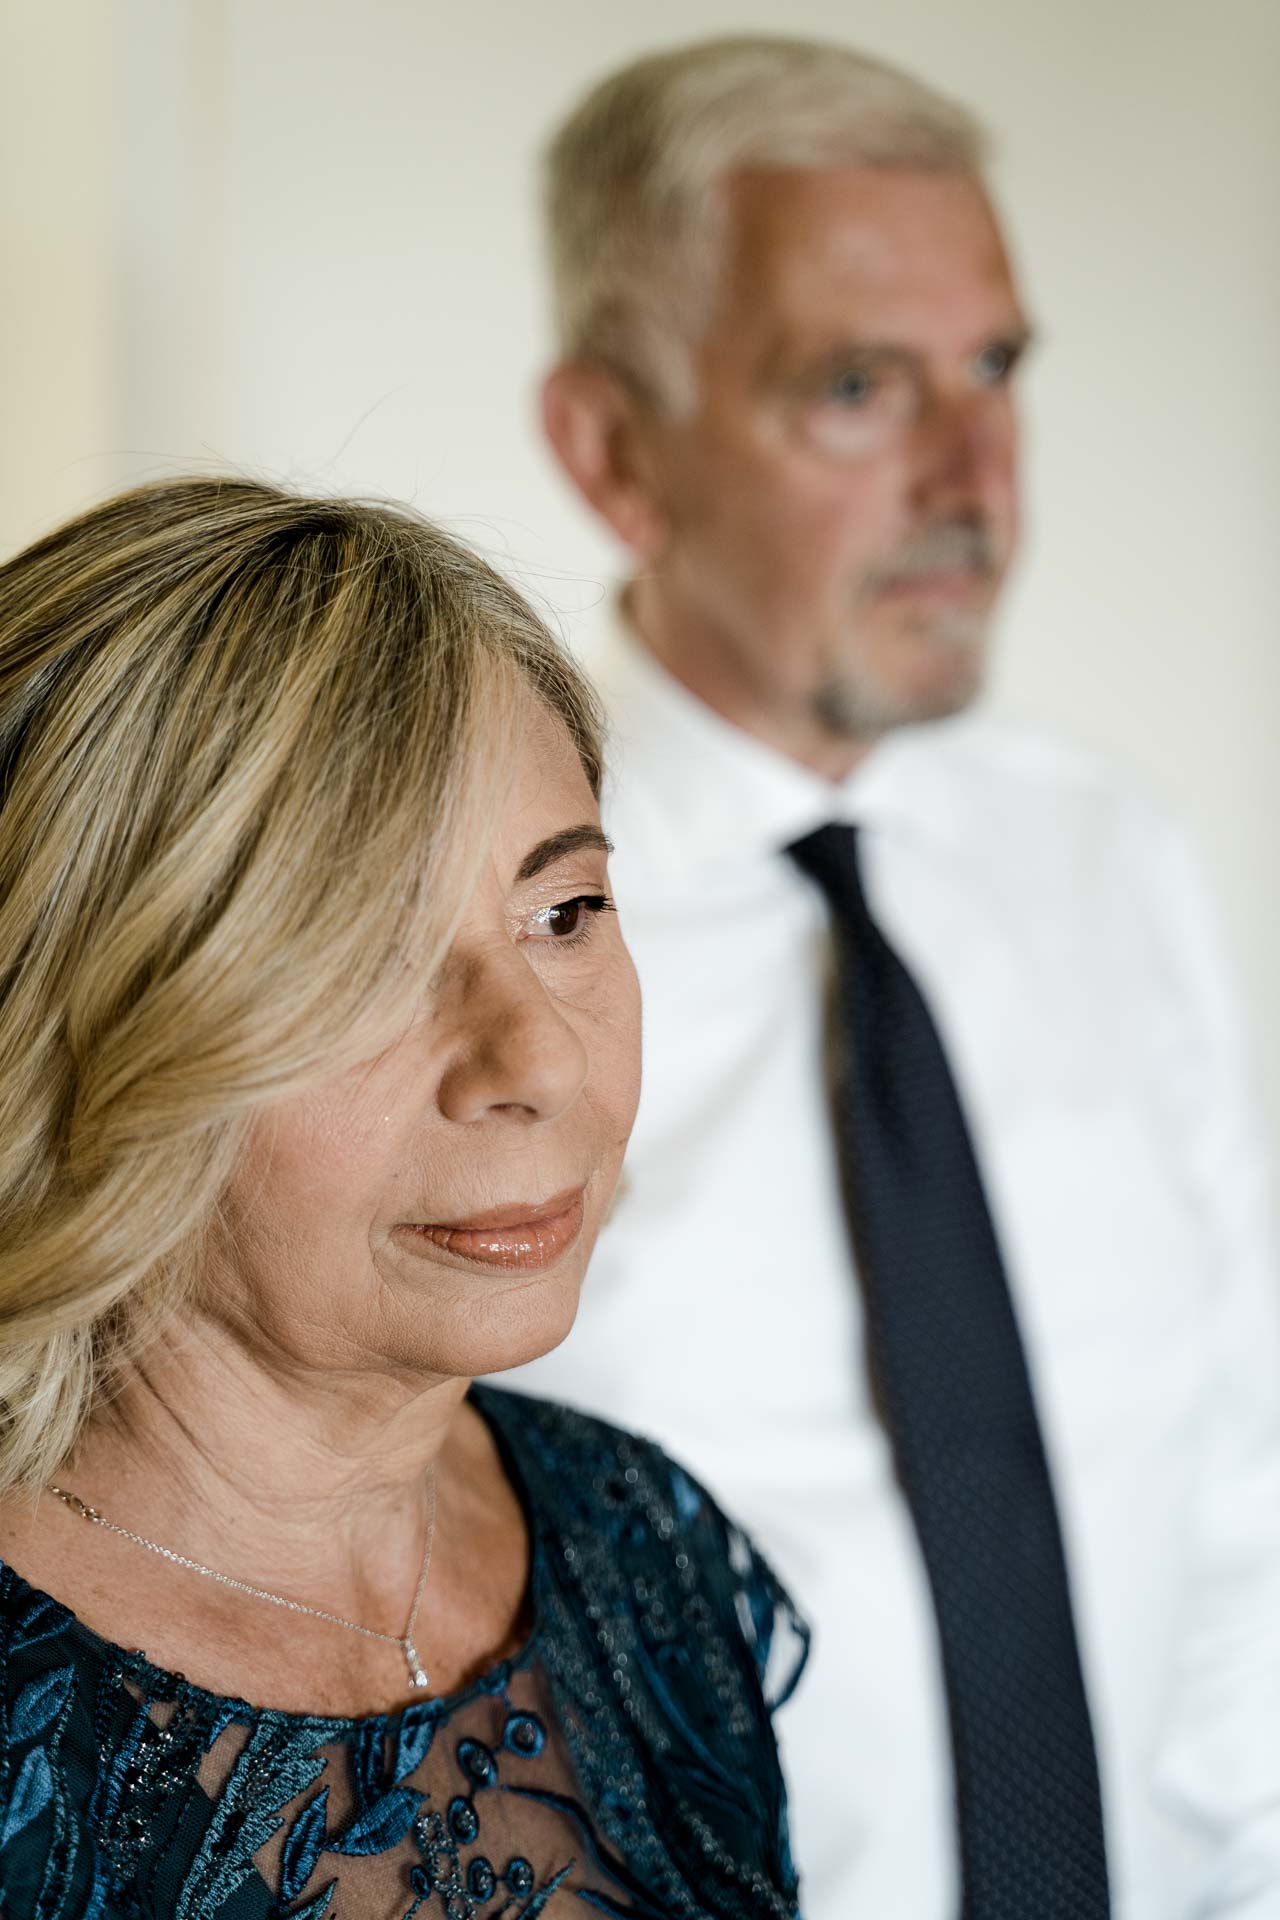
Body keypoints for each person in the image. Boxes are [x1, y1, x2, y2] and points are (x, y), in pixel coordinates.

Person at [513, 34, 1280, 1920]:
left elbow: (1239, 1505)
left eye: (995, 369)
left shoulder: (1111, 859)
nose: (973, 478)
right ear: (615, 451)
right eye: (857, 388)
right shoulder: (464, 945)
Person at [0, 478, 808, 1920]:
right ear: (88, 1019)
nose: (538, 1062)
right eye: (364, 960)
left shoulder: (643, 1545)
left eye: (563, 914)